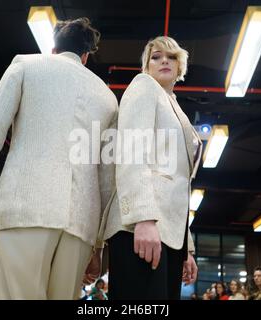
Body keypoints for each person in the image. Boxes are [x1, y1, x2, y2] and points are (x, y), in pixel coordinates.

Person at [0, 18, 118, 300]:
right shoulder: (108, 98)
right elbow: (106, 178)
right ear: (86, 56)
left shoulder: (26, 65)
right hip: (80, 227)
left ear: (53, 48)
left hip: (25, 210)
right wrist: (97, 246)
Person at [101, 36, 202, 300]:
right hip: (141, 225)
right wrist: (142, 218)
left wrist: (186, 248)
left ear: (181, 65)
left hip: (169, 233)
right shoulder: (144, 86)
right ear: (146, 66)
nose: (164, 61)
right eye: (155, 57)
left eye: (171, 56)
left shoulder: (177, 110)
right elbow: (131, 151)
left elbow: (180, 185)